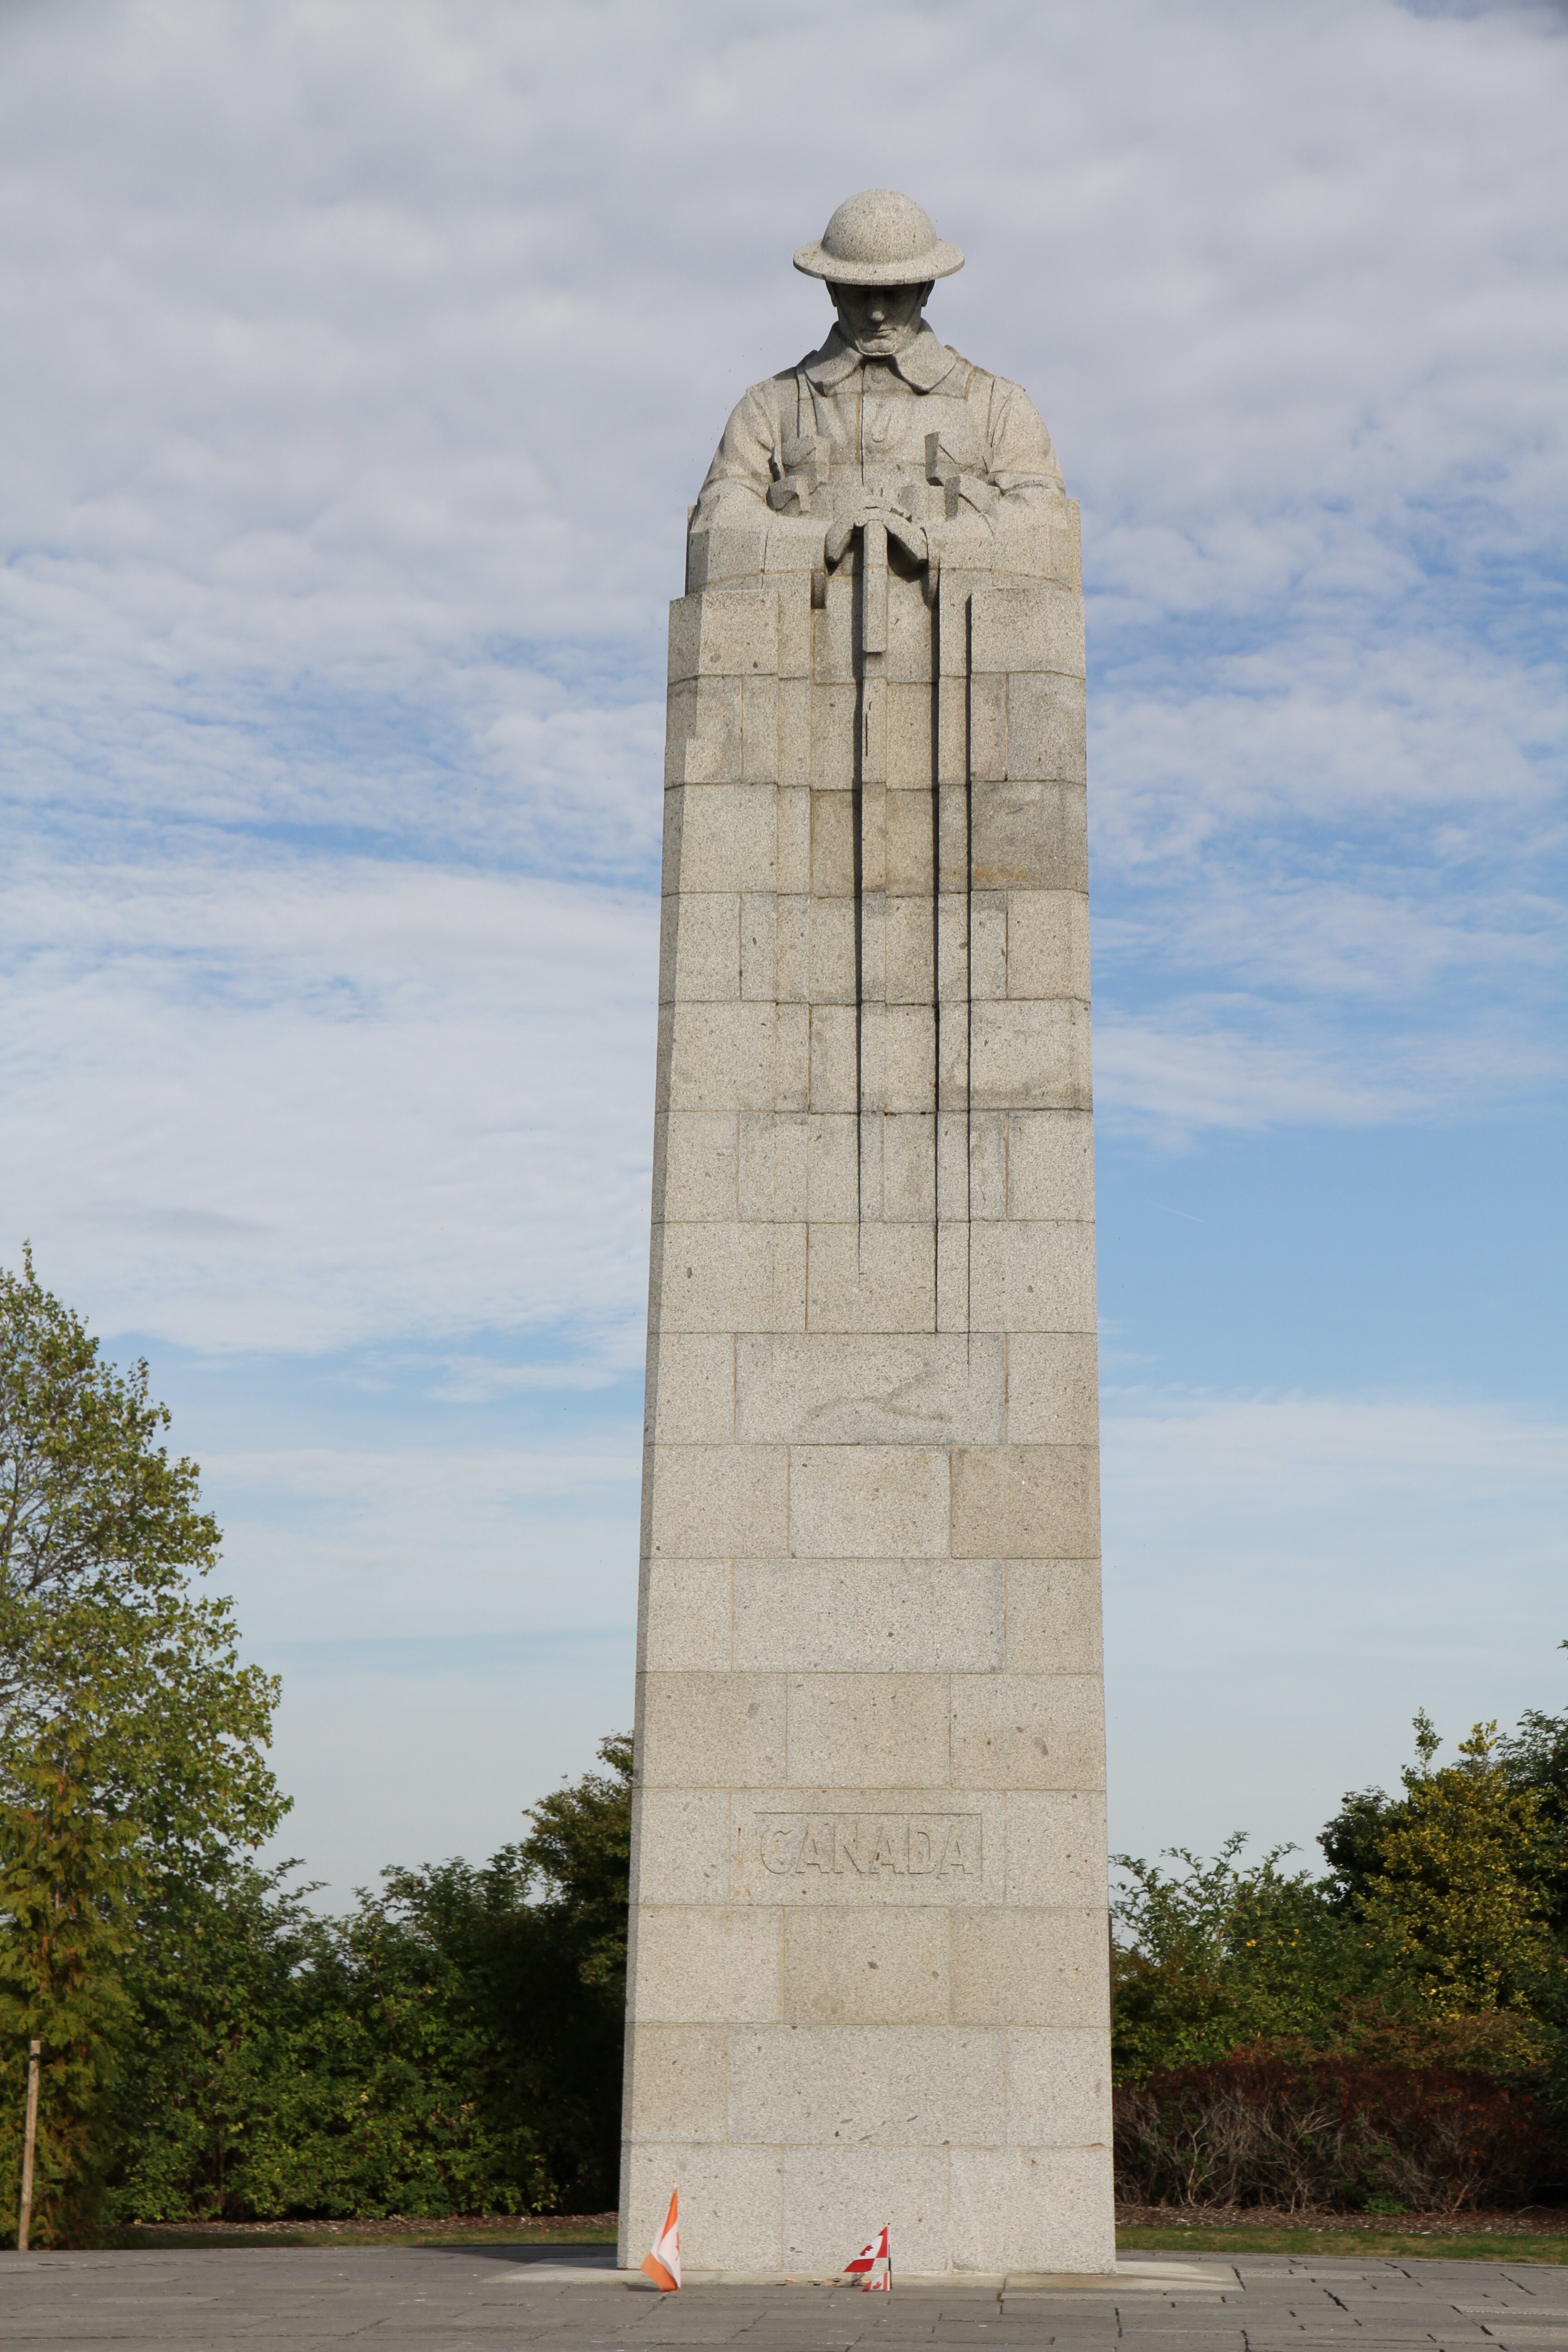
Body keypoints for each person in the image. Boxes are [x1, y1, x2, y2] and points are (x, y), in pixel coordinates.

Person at [694, 189, 1064, 572]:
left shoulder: (998, 406)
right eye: (860, 293)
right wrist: (819, 545)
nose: (876, 313)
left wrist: (935, 546)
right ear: (832, 289)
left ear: (926, 288)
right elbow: (716, 527)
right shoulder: (766, 408)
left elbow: (1046, 526)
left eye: (893, 293)